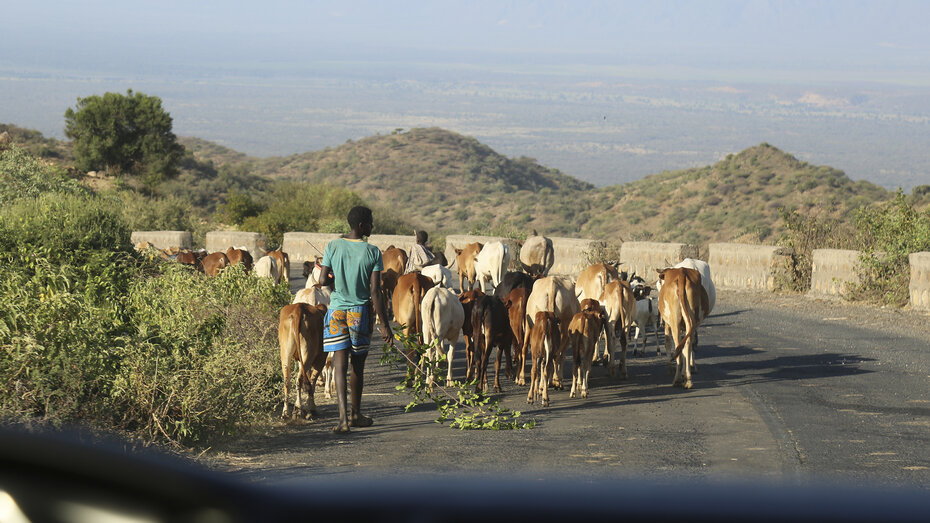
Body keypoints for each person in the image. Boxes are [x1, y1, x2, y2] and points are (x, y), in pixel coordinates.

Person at [318, 206, 394, 433]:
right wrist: (385, 325)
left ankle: (342, 420)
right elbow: (375, 292)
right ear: (362, 226)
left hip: (336, 312)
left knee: (339, 364)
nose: (373, 225)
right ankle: (355, 414)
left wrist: (333, 278)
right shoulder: (373, 252)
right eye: (370, 222)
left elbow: (323, 279)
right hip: (359, 314)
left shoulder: (333, 246)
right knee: (357, 366)